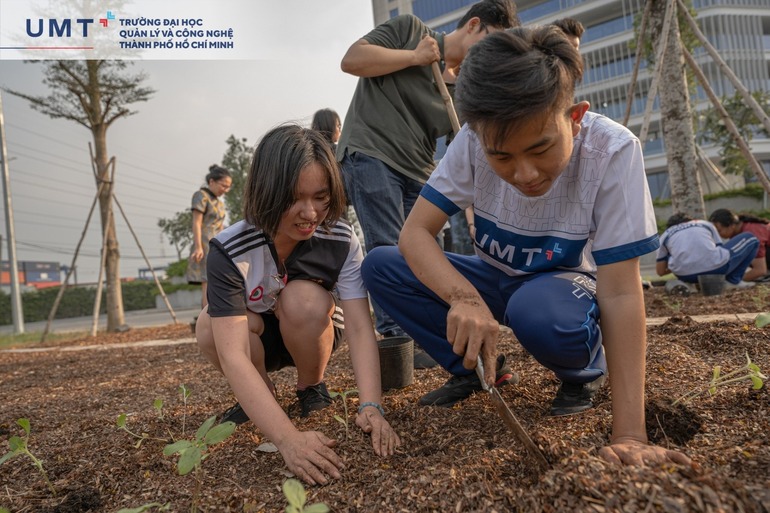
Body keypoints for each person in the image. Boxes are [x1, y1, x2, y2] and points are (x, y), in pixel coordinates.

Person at [361, 25, 692, 467]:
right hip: (495, 278)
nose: (525, 174)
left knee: (536, 311)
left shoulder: (612, 152)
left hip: (564, 289)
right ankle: (478, 369)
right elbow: (414, 233)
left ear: (575, 117)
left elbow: (620, 291)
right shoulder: (473, 141)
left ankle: (583, 370)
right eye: (502, 156)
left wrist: (631, 434)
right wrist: (464, 298)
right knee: (382, 265)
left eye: (540, 149)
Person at [195, 125, 400, 486]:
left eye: (321, 197)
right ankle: (261, 396)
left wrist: (371, 405)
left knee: (302, 299)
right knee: (208, 323)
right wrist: (287, 439)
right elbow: (233, 354)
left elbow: (358, 326)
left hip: (313, 327)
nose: (310, 213)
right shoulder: (230, 249)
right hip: (259, 338)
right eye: (294, 198)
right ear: (267, 192)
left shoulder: (340, 238)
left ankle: (311, 386)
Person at [337, 0, 519, 362]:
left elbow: (463, 154)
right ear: (474, 25)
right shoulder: (410, 30)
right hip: (373, 152)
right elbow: (352, 60)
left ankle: (429, 334)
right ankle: (397, 340)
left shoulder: (463, 88)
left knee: (425, 253)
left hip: (419, 169)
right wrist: (414, 57)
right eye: (490, 42)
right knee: (388, 246)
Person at [657, 212, 759, 288]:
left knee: (671, 254)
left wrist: (684, 261)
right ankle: (732, 281)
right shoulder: (704, 224)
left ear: (669, 227)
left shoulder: (665, 235)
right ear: (691, 220)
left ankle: (691, 284)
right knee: (751, 238)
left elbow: (660, 272)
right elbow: (718, 248)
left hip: (686, 276)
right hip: (716, 270)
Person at [187, 165, 232, 309]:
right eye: (223, 185)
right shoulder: (201, 196)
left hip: (218, 244)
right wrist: (198, 247)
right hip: (205, 244)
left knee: (218, 280)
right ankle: (207, 317)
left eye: (228, 187)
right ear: (212, 181)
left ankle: (217, 314)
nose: (225, 190)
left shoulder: (219, 203)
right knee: (208, 281)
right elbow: (196, 222)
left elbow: (220, 226)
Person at [708, 208, 770, 281]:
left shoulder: (751, 234)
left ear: (731, 225)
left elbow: (760, 270)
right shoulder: (738, 231)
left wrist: (732, 282)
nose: (717, 235)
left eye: (719, 231)